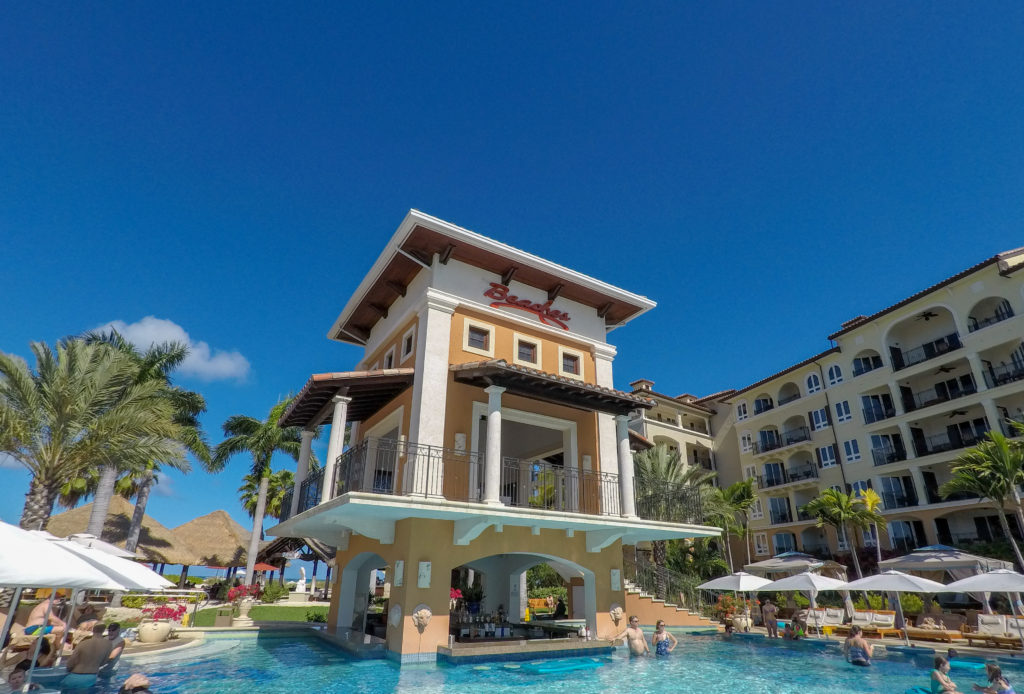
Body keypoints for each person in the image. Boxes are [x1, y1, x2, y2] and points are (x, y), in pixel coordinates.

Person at [62, 624, 113, 690]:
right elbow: (104, 662)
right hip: (91, 676)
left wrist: (69, 669)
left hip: (76, 674)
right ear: (103, 631)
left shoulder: (83, 643)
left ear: (92, 630)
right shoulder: (108, 644)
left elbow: (71, 661)